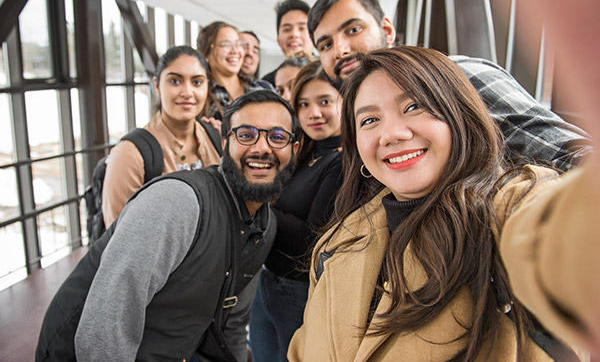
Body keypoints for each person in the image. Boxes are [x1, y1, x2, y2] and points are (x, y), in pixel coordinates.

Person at [288, 46, 595, 361]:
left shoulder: (508, 208)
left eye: (414, 106)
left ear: (460, 115)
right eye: (369, 120)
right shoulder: (338, 242)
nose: (391, 134)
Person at [36, 90, 301, 362]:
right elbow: (105, 326)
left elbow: (231, 326)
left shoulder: (264, 227)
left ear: (294, 150)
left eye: (277, 137)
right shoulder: (178, 201)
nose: (261, 148)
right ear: (224, 143)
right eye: (246, 135)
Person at [307, 0, 592, 171]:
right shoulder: (353, 115)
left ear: (388, 30)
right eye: (326, 44)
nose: (341, 49)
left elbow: (573, 157)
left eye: (353, 30)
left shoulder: (457, 77)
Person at [249, 61, 344, 361]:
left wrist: (259, 200)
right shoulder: (308, 151)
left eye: (324, 101)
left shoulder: (342, 161)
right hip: (269, 280)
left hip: (299, 291)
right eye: (303, 104)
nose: (313, 113)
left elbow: (311, 240)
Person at [102, 45, 221, 228]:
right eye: (175, 81)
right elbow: (120, 239)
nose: (187, 92)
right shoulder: (130, 154)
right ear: (157, 85)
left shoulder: (215, 137)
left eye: (197, 82)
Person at [197, 21, 273, 119]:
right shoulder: (201, 94)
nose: (235, 51)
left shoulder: (263, 88)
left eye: (238, 44)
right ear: (206, 52)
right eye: (226, 44)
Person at [262, 0, 314, 86]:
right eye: (287, 29)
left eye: (302, 28)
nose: (294, 34)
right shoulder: (267, 84)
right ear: (278, 39)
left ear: (313, 36)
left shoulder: (329, 75)